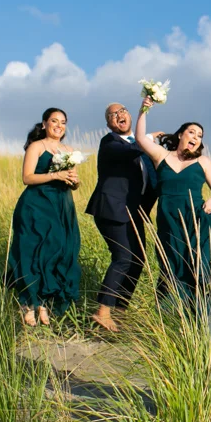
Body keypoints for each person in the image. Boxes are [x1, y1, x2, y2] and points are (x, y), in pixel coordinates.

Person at [134, 96, 211, 304]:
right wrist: (143, 110)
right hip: (168, 219)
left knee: (196, 266)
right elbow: (140, 138)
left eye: (200, 136)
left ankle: (197, 310)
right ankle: (170, 311)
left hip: (195, 218)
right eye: (192, 132)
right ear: (180, 135)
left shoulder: (203, 161)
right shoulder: (162, 156)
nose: (196, 137)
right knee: (170, 264)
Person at [86, 103, 162, 332]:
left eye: (123, 111)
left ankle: (120, 312)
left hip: (133, 213)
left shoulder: (140, 150)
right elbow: (131, 150)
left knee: (138, 261)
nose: (119, 115)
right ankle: (102, 311)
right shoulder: (110, 143)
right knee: (123, 258)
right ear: (108, 123)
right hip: (111, 210)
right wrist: (147, 138)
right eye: (113, 114)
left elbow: (152, 181)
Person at [7, 108, 82, 327]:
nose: (59, 126)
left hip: (61, 207)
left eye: (63, 122)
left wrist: (74, 181)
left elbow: (73, 182)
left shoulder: (69, 151)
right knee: (34, 251)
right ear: (44, 124)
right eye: (54, 121)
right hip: (36, 206)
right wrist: (55, 175)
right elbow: (27, 177)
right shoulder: (37, 147)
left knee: (59, 251)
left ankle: (44, 302)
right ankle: (29, 302)